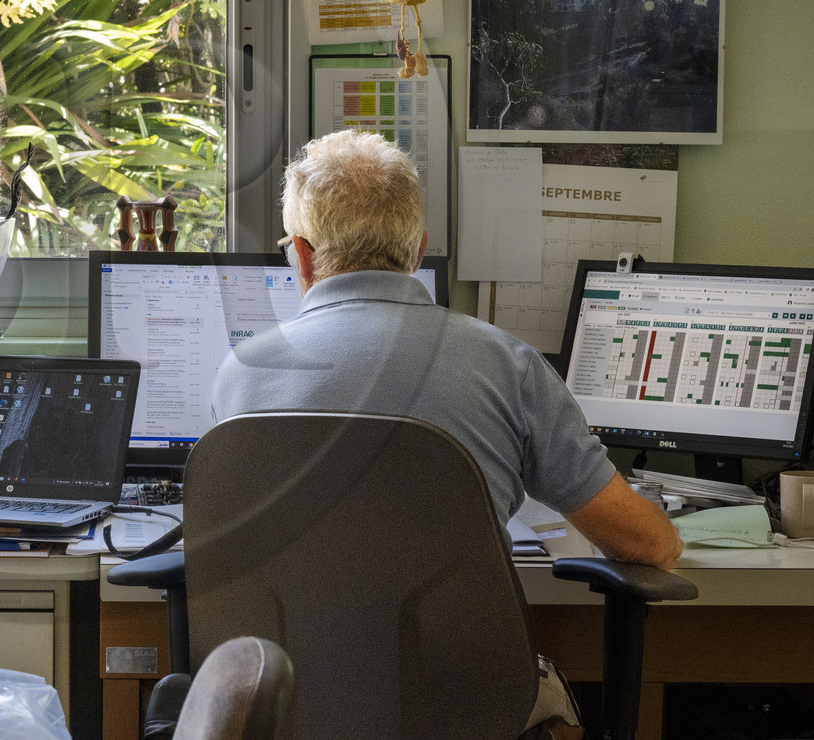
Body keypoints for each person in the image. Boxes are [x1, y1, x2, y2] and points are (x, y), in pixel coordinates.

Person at [210, 129, 681, 740]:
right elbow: (646, 547)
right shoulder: (507, 365)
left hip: (294, 703)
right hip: (470, 706)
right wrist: (667, 525)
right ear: (417, 251)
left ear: (300, 254)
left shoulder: (240, 376)